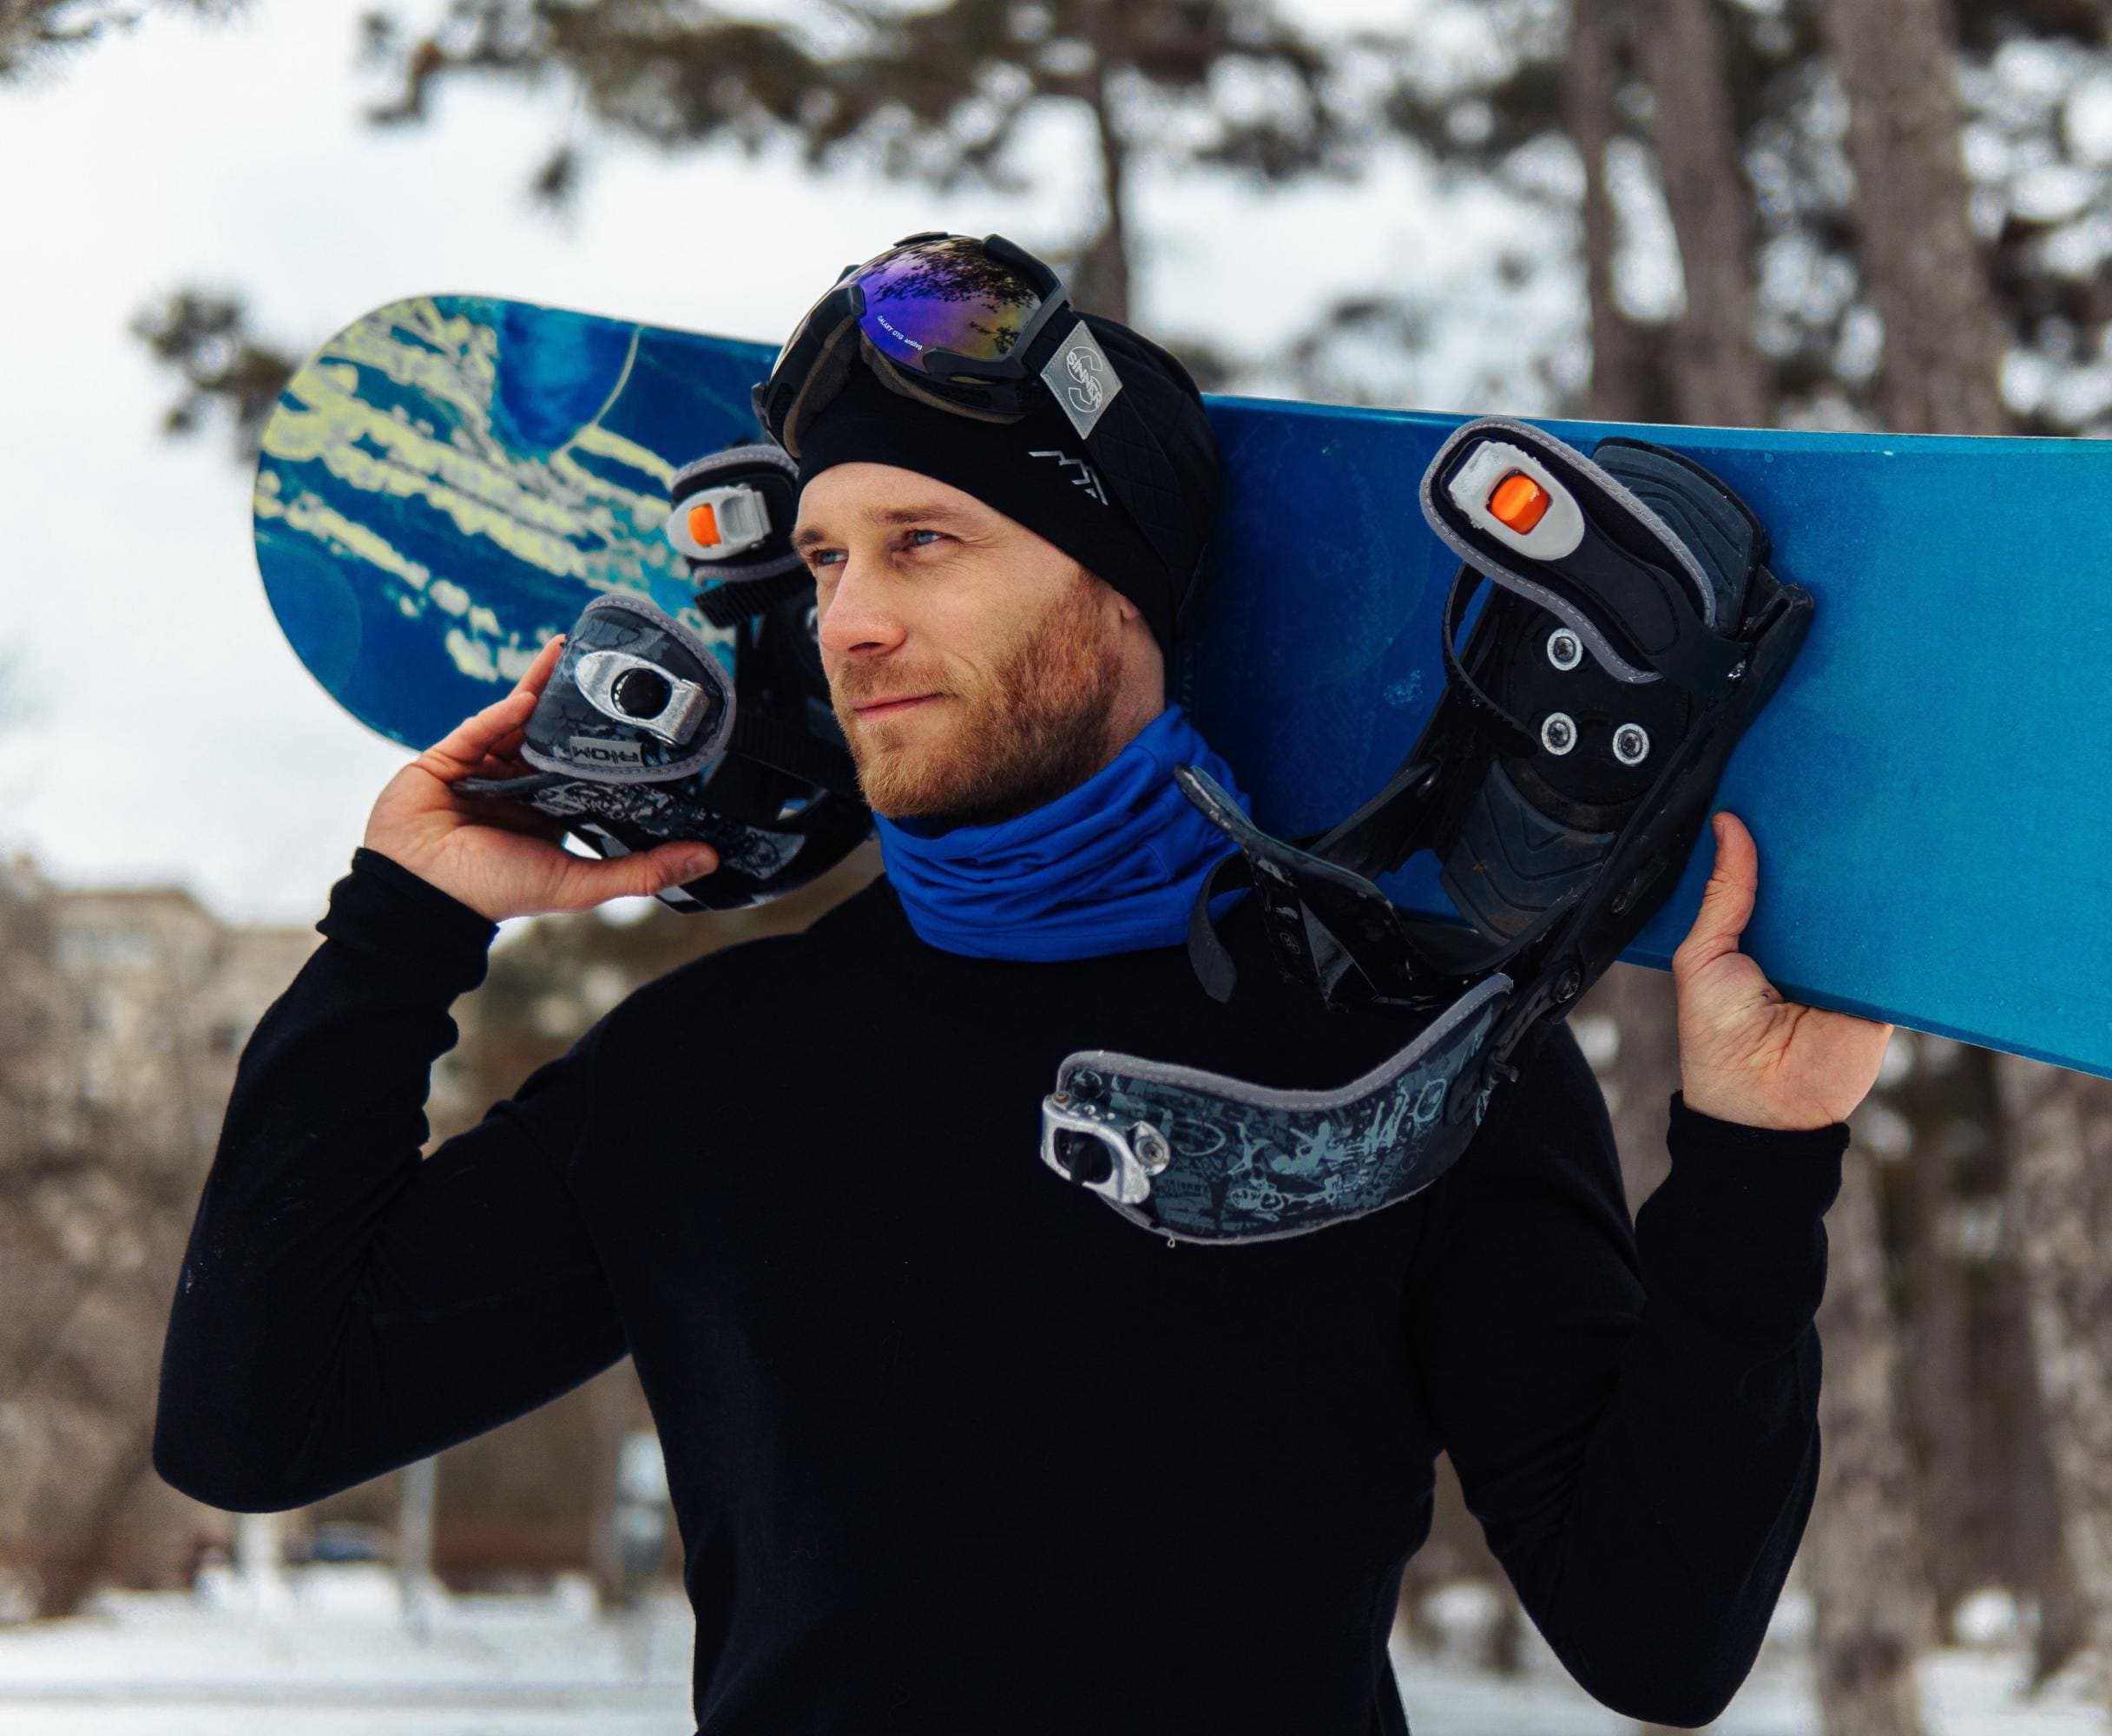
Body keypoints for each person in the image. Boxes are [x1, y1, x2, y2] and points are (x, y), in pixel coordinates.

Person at [153, 234, 1892, 1734]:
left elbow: (1659, 1633)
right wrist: (402, 925)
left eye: (923, 542)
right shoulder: (708, 1071)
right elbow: (256, 1421)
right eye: (826, 561)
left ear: (1118, 592)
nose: (849, 621)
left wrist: (1758, 1159)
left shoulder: (1395, 1061)